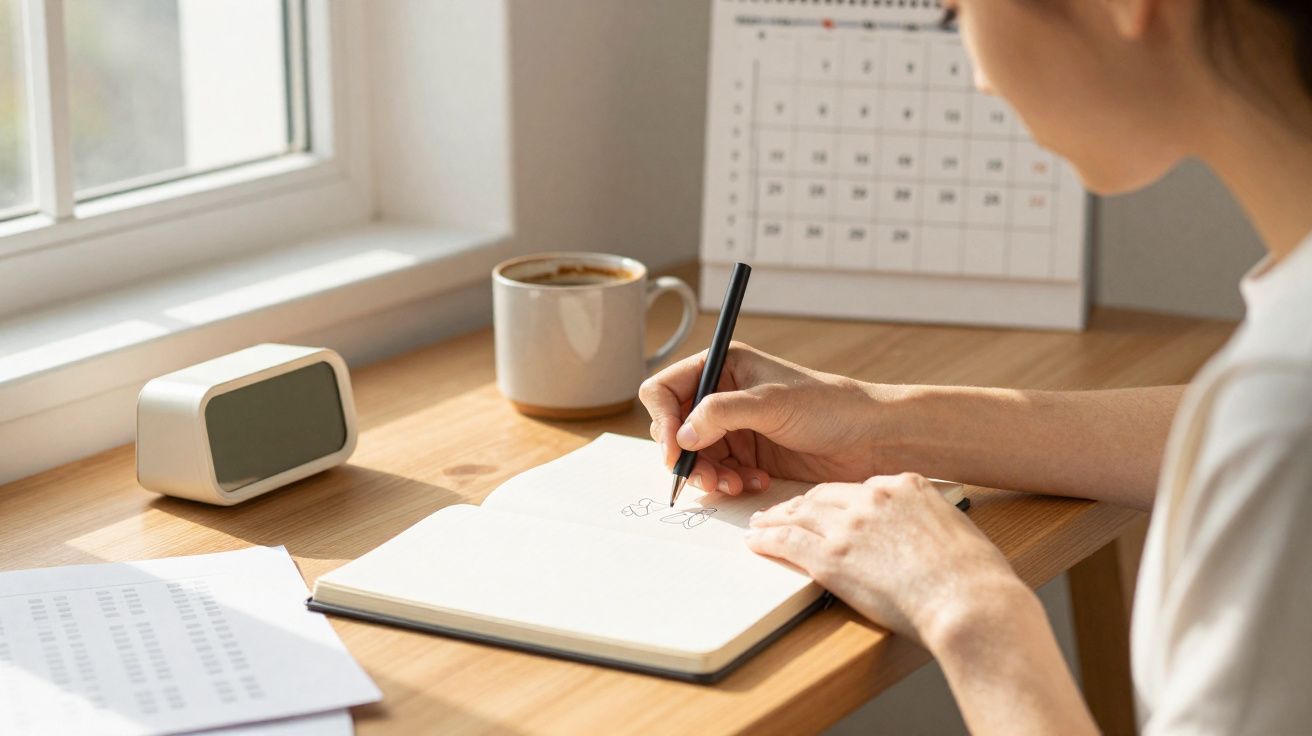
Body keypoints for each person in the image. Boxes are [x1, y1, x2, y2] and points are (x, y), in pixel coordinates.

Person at [640, 0, 1312, 732]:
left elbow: (1274, 437)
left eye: (954, 10)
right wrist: (884, 425)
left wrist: (967, 607)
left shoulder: (1282, 412)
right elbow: (1230, 436)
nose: (977, 74)